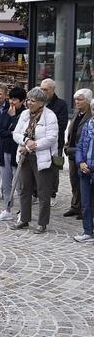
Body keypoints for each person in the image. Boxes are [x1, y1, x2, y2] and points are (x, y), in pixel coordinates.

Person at [11, 87, 59, 234]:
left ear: (41, 102)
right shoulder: (25, 114)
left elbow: (52, 138)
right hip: (25, 156)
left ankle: (42, 223)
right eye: (28, 100)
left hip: (42, 158)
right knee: (25, 189)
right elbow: (16, 133)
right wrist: (26, 141)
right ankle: (24, 219)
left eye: (33, 100)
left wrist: (33, 145)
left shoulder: (50, 116)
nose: (29, 103)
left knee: (43, 191)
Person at [0, 87, 27, 221]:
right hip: (4, 151)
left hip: (17, 152)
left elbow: (20, 133)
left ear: (22, 101)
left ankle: (22, 211)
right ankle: (7, 209)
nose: (12, 102)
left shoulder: (25, 114)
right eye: (11, 99)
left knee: (19, 184)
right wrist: (11, 132)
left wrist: (13, 122)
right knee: (6, 183)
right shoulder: (7, 112)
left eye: (15, 99)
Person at [64, 89, 93, 220]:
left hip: (82, 154)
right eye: (76, 99)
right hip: (71, 153)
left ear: (87, 101)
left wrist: (73, 150)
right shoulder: (77, 113)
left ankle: (84, 208)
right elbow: (71, 132)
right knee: (73, 181)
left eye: (80, 99)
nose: (77, 102)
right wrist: (66, 145)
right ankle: (75, 206)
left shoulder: (90, 116)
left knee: (83, 182)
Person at [40, 78, 68, 205]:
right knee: (39, 166)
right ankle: (37, 192)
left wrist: (45, 131)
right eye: (41, 89)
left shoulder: (61, 104)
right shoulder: (39, 102)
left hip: (55, 142)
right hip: (39, 142)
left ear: (52, 90)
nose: (43, 92)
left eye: (45, 90)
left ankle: (52, 193)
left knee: (53, 168)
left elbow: (61, 125)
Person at [74, 99, 94, 242]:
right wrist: (80, 162)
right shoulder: (88, 125)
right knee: (85, 203)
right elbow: (79, 146)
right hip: (84, 169)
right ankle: (88, 231)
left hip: (91, 168)